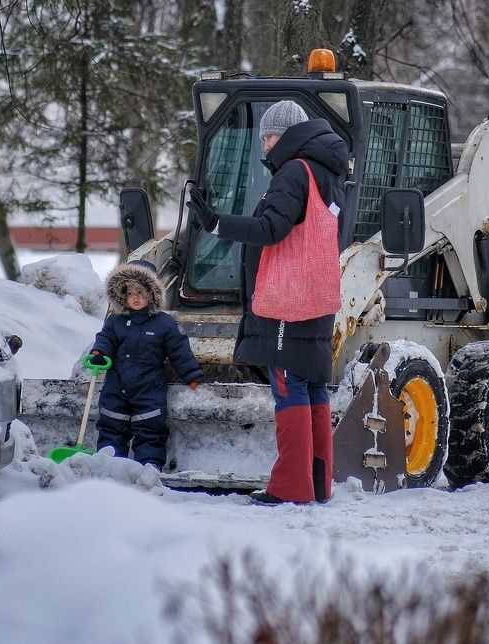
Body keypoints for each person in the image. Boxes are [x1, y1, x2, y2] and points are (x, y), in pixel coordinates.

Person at [188, 99, 349, 505]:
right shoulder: (327, 173)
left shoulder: (294, 172)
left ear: (285, 136)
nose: (264, 145)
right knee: (312, 385)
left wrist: (215, 222)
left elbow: (271, 229)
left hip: (287, 299)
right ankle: (316, 485)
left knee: (287, 384)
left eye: (268, 136)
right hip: (318, 295)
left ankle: (290, 488)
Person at [88, 260, 204, 469]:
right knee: (112, 427)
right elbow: (105, 339)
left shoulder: (164, 323)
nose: (136, 298)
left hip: (149, 388)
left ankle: (149, 468)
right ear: (122, 294)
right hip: (116, 386)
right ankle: (111, 467)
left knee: (150, 430)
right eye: (131, 293)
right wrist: (98, 352)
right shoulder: (115, 321)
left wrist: (192, 374)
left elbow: (179, 350)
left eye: (141, 292)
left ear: (152, 293)